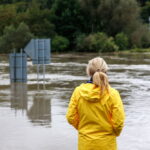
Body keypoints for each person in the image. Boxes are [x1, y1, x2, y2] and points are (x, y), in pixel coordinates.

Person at [66, 57, 125, 150]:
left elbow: (70, 117)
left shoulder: (78, 92)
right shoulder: (113, 94)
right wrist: (114, 133)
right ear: (106, 71)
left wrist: (82, 129)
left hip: (85, 143)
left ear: (89, 72)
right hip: (107, 144)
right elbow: (118, 122)